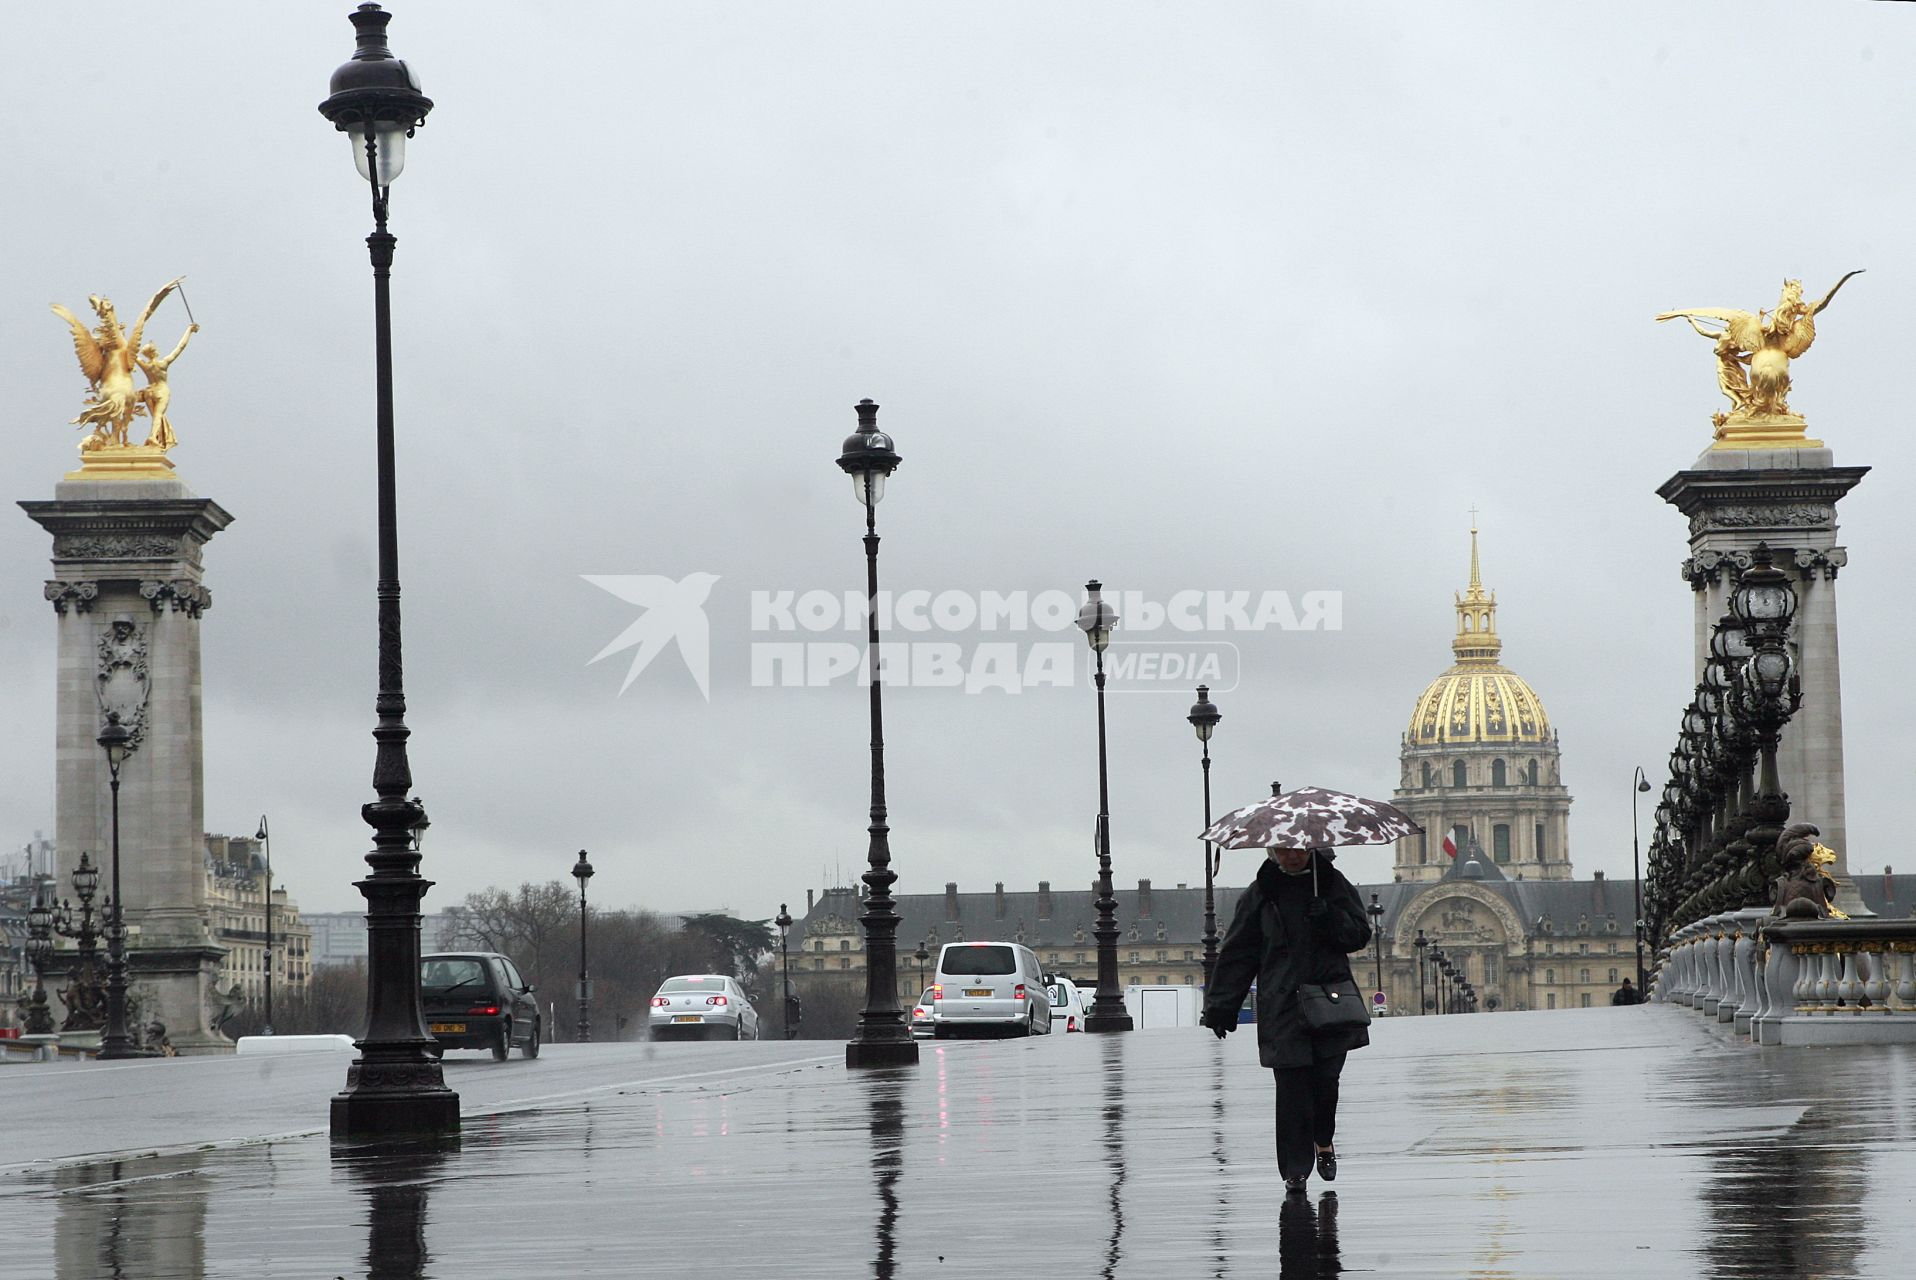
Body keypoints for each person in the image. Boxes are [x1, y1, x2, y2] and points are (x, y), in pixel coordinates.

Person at [1201, 846, 1372, 1196]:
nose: (1290, 856)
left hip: (1328, 1000)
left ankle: (1323, 1139)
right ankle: (1295, 1171)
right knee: (1292, 1091)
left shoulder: (1332, 884)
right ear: (1271, 851)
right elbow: (1239, 952)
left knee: (1326, 1084)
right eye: (1282, 850)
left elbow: (1359, 934)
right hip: (1282, 1004)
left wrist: (1329, 918)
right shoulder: (1260, 893)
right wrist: (1221, 1006)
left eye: (1296, 850)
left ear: (1309, 848)